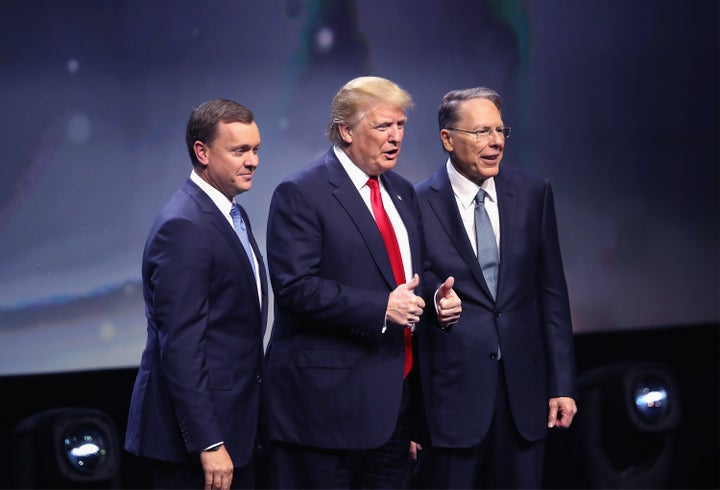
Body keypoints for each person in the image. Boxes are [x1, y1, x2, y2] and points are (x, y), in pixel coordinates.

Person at [264, 76, 461, 489]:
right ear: (346, 131)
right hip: (325, 411)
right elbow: (296, 286)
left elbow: (412, 273)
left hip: (394, 407)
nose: (395, 137)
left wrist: (438, 299)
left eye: (401, 125)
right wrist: (380, 309)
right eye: (382, 126)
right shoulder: (301, 192)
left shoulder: (404, 192)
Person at [413, 87, 578, 489]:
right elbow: (413, 288)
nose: (496, 142)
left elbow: (551, 293)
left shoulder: (533, 193)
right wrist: (435, 300)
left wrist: (562, 384)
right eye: (482, 131)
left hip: (523, 393)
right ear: (447, 139)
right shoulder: (415, 201)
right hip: (452, 399)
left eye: (501, 130)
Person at [124, 98, 268, 490]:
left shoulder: (231, 214)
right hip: (193, 445)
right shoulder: (184, 226)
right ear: (202, 152)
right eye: (239, 150)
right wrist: (209, 441)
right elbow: (181, 346)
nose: (253, 161)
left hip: (232, 429)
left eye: (255, 149)